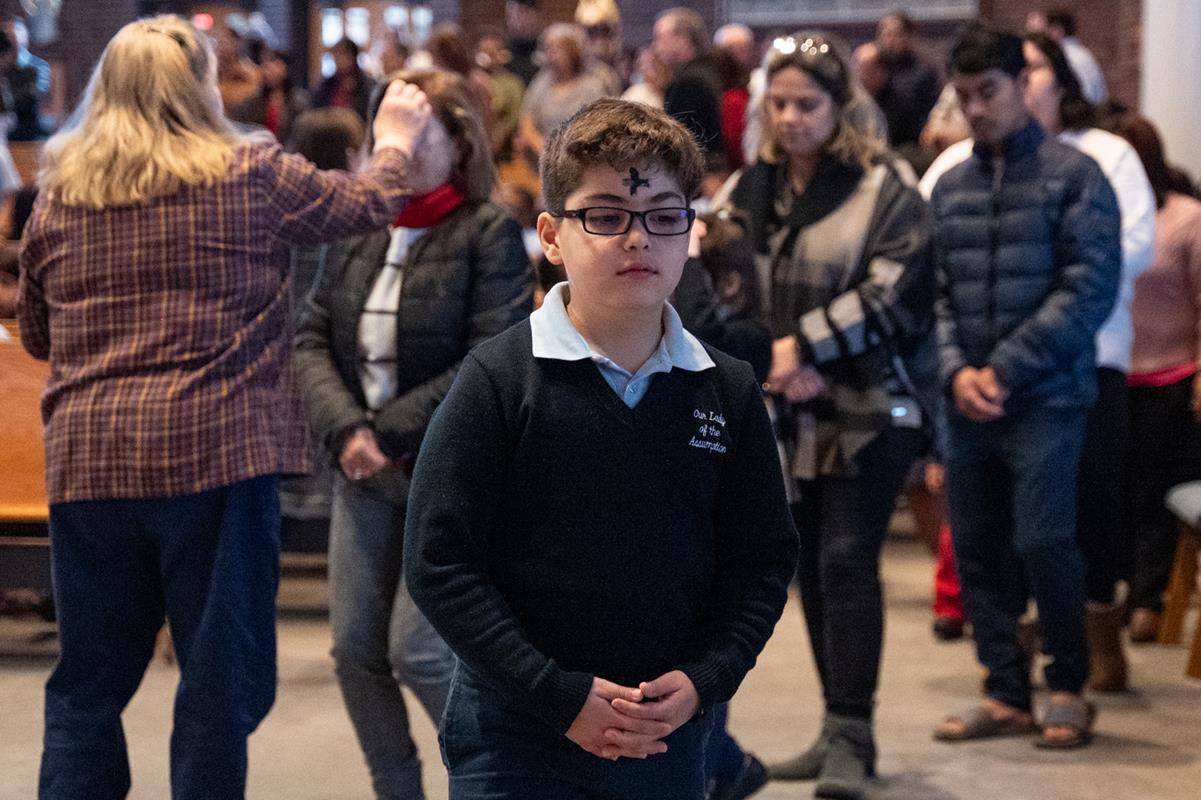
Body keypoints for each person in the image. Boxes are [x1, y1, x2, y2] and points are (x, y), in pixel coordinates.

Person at [16, 16, 444, 799]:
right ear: (200, 88)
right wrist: (393, 136)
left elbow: (39, 336)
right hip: (215, 455)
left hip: (91, 462)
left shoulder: (59, 197)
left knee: (87, 684)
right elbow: (372, 201)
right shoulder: (247, 173)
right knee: (218, 682)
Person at [403, 98, 798, 800]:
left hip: (664, 735)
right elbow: (441, 562)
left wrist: (707, 679)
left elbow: (761, 561)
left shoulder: (725, 389)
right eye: (607, 216)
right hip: (516, 736)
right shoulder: (498, 380)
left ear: (690, 233)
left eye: (663, 217)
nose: (638, 239)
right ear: (552, 235)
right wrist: (554, 694)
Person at [295, 67, 533, 800]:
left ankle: (511, 773)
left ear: (459, 142)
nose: (391, 144)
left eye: (414, 129)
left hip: (443, 468)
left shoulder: (486, 231)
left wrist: (382, 432)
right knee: (354, 652)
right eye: (385, 128)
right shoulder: (360, 225)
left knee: (418, 653)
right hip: (361, 470)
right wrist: (345, 432)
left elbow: (486, 357)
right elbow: (308, 338)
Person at [714, 31, 937, 800]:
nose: (788, 117)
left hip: (872, 403)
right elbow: (716, 279)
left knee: (846, 558)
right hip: (785, 407)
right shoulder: (748, 187)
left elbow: (892, 291)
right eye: (776, 103)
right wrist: (767, 357)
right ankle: (834, 729)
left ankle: (853, 732)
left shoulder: (886, 186)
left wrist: (801, 347)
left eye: (805, 104)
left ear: (839, 106)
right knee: (807, 567)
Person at [919, 32, 1156, 692]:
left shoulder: (1074, 176)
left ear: (1021, 87)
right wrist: (955, 372)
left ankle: (1064, 685)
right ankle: (1003, 690)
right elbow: (931, 293)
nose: (974, 108)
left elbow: (1089, 286)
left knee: (1044, 543)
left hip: (1048, 397)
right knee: (974, 552)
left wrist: (1004, 370)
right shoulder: (950, 186)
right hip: (965, 398)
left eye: (987, 92)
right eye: (962, 96)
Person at [1108, 114, 1201, 645]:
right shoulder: (1106, 216)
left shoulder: (1186, 219)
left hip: (1172, 374)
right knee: (1115, 491)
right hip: (1115, 375)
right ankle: (1122, 592)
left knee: (1155, 492)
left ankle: (1150, 598)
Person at [515, 23, 610, 164]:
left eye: (557, 48)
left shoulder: (592, 86)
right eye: (548, 48)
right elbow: (527, 124)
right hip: (543, 159)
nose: (551, 54)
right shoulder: (540, 83)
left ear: (573, 52)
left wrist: (568, 155)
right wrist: (549, 151)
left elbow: (600, 127)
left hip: (581, 159)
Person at [654, 7, 726, 170]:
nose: (656, 45)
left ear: (683, 39)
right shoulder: (709, 70)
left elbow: (684, 142)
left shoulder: (689, 82)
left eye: (660, 38)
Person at [871, 11, 941, 154]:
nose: (887, 40)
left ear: (908, 36)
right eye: (883, 34)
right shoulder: (873, 67)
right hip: (878, 142)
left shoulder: (924, 71)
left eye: (894, 34)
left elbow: (931, 113)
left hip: (911, 147)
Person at [1027, 8, 1107, 104]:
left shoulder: (1069, 59)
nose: (1032, 43)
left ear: (1056, 31)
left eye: (1037, 35)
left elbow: (1081, 102)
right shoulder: (1080, 55)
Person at [230, 48, 310, 143]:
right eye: (264, 65)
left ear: (285, 67)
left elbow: (303, 135)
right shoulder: (252, 101)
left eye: (274, 63)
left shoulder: (299, 101)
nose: (268, 69)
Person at [313, 38, 377, 122]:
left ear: (353, 57)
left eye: (342, 54)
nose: (338, 59)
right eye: (335, 55)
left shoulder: (368, 86)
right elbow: (317, 111)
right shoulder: (325, 86)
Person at [505, 0, 541, 86]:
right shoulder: (502, 55)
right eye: (511, 16)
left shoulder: (546, 52)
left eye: (523, 13)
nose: (518, 21)